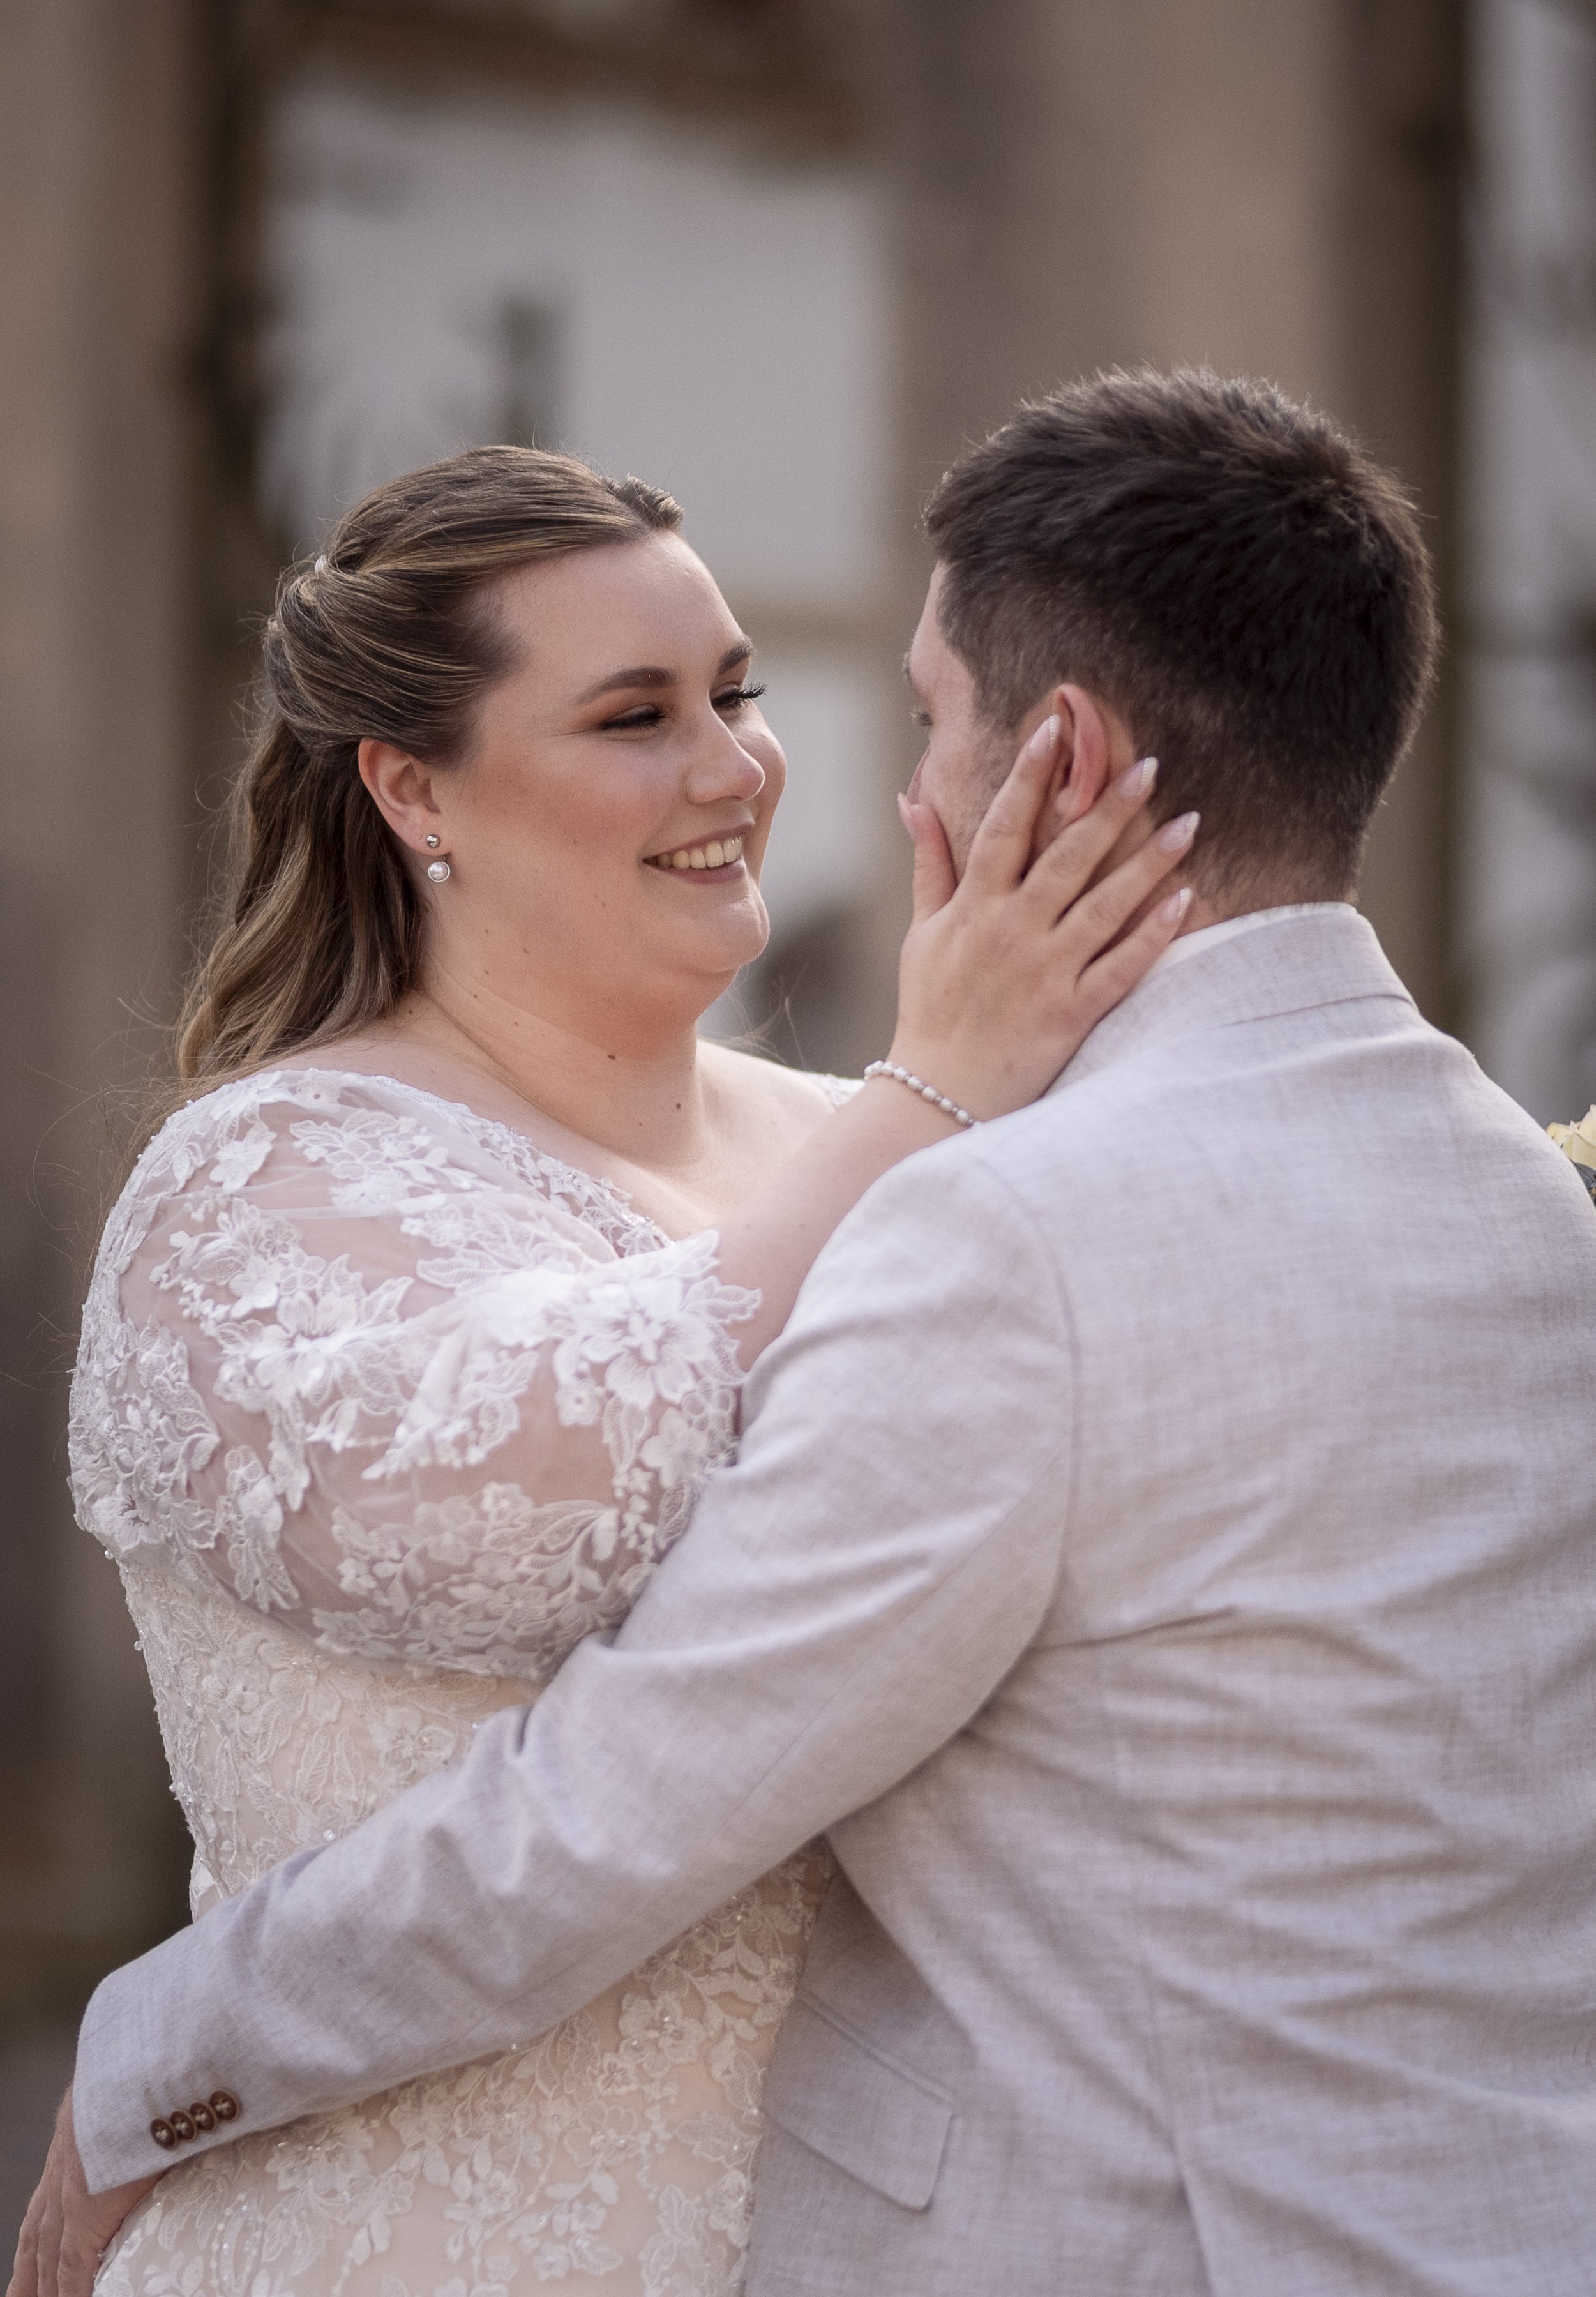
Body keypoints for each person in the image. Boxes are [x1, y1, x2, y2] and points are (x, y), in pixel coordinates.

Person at [20, 367, 1596, 2297]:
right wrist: (928, 1101)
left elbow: (624, 1806)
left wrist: (145, 2068)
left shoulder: (987, 1202)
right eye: (635, 715)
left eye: (752, 697)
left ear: (1064, 756)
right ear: (407, 785)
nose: (755, 770)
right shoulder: (1502, 1192)